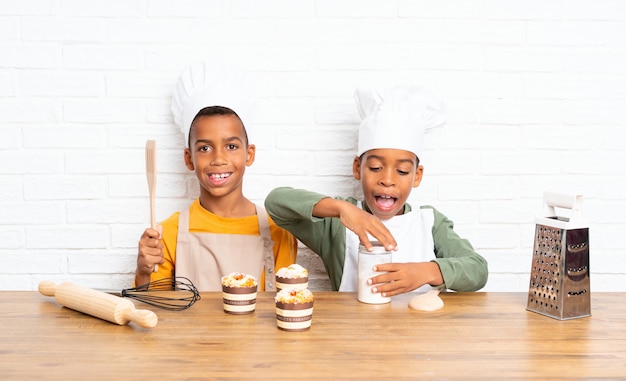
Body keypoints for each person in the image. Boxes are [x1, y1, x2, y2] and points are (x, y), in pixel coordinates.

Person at [265, 86, 487, 297]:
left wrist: (426, 271)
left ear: (416, 176)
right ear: (357, 168)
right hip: (355, 332)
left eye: (402, 171)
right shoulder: (335, 226)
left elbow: (477, 270)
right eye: (375, 168)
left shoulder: (429, 221)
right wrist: (342, 209)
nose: (387, 180)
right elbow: (276, 203)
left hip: (419, 334)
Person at [135, 62, 297, 291]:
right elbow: (151, 313)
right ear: (189, 158)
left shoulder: (278, 231)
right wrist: (143, 272)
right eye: (204, 148)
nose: (218, 159)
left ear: (249, 154)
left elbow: (288, 305)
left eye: (231, 146)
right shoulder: (167, 233)